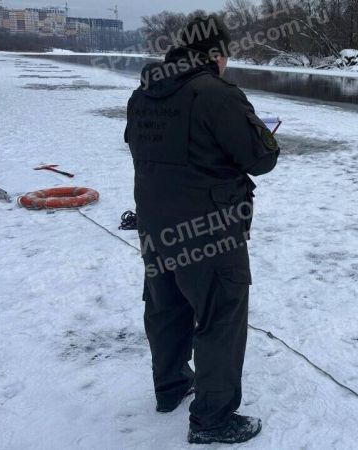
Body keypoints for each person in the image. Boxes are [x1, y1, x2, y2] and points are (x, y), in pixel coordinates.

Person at [124, 15, 279, 445]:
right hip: (211, 230)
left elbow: (140, 147)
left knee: (166, 308)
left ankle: (171, 386)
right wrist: (263, 135)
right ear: (215, 53)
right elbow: (261, 159)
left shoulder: (145, 92)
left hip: (156, 226)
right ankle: (212, 420)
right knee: (220, 317)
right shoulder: (216, 93)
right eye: (226, 54)